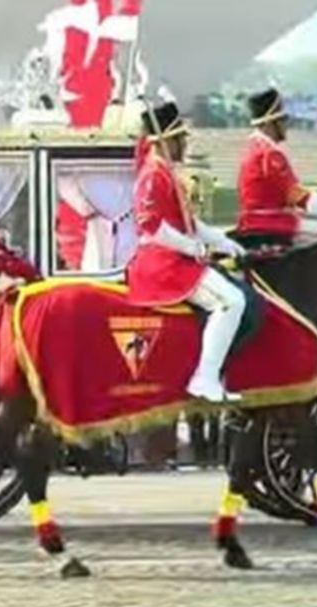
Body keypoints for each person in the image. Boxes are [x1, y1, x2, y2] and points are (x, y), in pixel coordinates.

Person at [125, 99, 249, 403]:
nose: (184, 143)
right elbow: (152, 227)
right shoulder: (154, 174)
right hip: (161, 264)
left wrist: (223, 241)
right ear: (165, 140)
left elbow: (189, 222)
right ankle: (204, 378)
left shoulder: (165, 173)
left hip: (174, 258)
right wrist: (195, 248)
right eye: (179, 138)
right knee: (232, 301)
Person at [233, 87, 317, 251]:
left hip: (262, 221)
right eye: (283, 119)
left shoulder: (256, 148)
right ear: (270, 123)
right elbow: (301, 199)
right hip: (273, 224)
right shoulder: (269, 154)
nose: (287, 125)